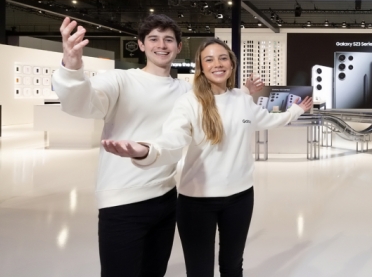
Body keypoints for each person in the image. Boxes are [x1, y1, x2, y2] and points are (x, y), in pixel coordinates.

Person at [52, 15, 263, 277]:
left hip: (166, 199)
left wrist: (246, 92)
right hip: (123, 201)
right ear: (141, 44)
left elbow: (222, 102)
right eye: (153, 39)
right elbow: (81, 104)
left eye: (168, 40)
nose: (161, 45)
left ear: (178, 46)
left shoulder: (186, 92)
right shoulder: (120, 80)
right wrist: (72, 69)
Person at [102, 38, 312, 277]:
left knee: (233, 266)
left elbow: (269, 119)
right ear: (201, 67)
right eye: (209, 60)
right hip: (197, 202)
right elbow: (173, 138)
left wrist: (296, 110)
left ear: (232, 64)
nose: (217, 64)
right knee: (199, 271)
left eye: (223, 58)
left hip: (240, 198)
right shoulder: (189, 102)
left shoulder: (243, 99)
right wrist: (146, 150)